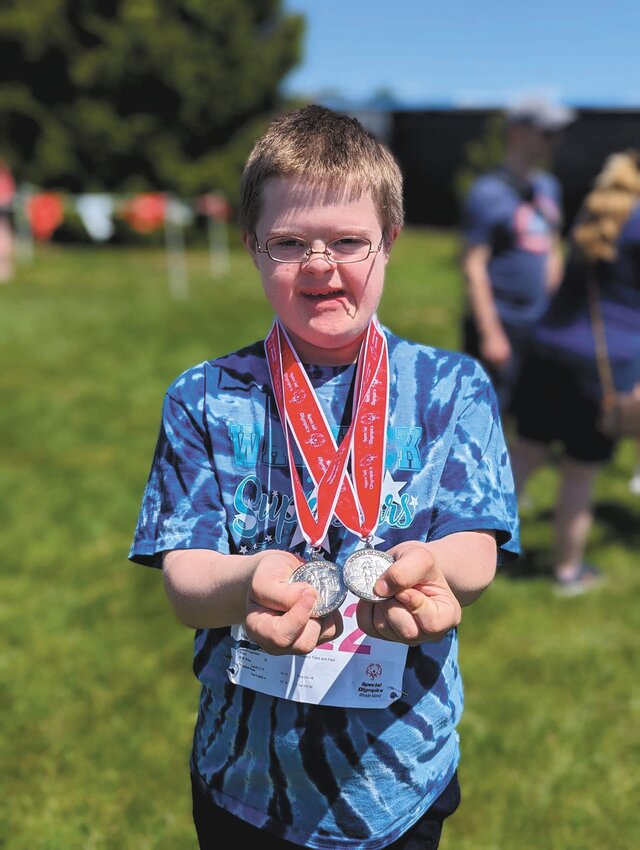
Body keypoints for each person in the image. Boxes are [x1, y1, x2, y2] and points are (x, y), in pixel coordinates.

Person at [129, 105, 519, 850]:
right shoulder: (204, 396)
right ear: (250, 245)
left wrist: (438, 570)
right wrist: (245, 584)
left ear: (390, 242)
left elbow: (476, 542)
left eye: (349, 241)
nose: (320, 265)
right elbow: (184, 578)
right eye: (288, 242)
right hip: (244, 779)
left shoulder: (452, 387)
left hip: (400, 772)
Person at [510, 149, 640, 595]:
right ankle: (568, 572)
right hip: (605, 366)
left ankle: (464, 546)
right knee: (580, 473)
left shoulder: (598, 207)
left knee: (525, 452)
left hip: (548, 348)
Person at [460, 98, 575, 421]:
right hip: (500, 322)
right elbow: (473, 265)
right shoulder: (487, 192)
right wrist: (490, 333)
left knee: (526, 417)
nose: (554, 142)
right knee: (482, 418)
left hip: (538, 323)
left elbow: (553, 248)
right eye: (547, 132)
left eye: (557, 133)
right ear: (517, 133)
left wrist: (557, 312)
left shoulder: (548, 187)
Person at [0, 157, 16, 282]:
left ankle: (5, 273)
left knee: (4, 241)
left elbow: (8, 195)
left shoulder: (5, 177)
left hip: (3, 211)